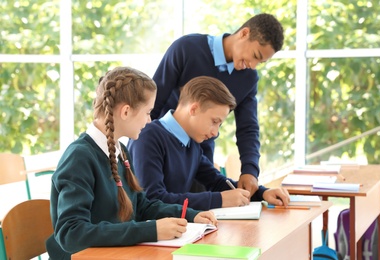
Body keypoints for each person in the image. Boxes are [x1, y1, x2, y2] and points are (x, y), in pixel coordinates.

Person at [45, 67, 217, 260]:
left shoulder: (120, 151)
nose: (149, 120)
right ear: (126, 111)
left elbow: (141, 206)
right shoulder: (79, 157)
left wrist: (189, 215)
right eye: (147, 112)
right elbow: (71, 234)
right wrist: (151, 230)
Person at [143, 13, 285, 195]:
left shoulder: (248, 78)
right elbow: (153, 102)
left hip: (200, 158)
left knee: (202, 211)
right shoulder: (187, 49)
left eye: (260, 62)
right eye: (255, 55)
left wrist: (250, 170)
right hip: (162, 149)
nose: (253, 65)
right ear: (244, 33)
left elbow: (248, 127)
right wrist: (142, 143)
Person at [128, 76, 289, 210]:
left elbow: (218, 182)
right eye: (214, 121)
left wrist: (263, 193)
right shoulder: (148, 137)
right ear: (194, 109)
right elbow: (153, 199)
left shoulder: (191, 144)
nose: (215, 132)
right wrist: (219, 200)